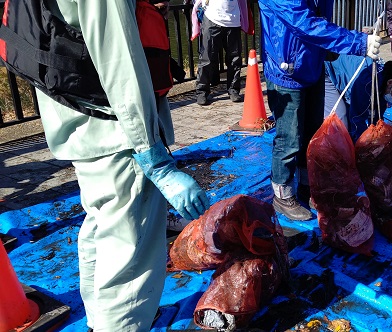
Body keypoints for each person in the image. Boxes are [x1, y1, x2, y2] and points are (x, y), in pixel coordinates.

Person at [33, 1, 209, 330]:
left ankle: (99, 322)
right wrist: (155, 160)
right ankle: (120, 322)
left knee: (101, 229)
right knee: (130, 265)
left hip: (79, 118)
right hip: (119, 133)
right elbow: (120, 62)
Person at [258, 0, 382, 221]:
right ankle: (282, 195)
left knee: (312, 133)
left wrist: (328, 49)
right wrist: (358, 42)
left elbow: (320, 18)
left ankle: (308, 187)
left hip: (312, 64)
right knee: (289, 139)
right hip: (286, 69)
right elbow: (302, 22)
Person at [192, 0, 254, 106]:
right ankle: (202, 91)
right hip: (212, 18)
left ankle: (233, 89)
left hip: (233, 20)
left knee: (234, 59)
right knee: (207, 58)